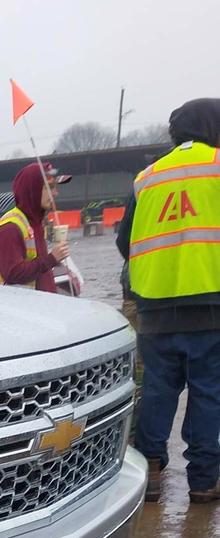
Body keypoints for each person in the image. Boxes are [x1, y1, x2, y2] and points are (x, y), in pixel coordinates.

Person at [117, 97, 220, 504]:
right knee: (208, 391)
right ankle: (204, 480)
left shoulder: (147, 178)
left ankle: (151, 471)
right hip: (210, 305)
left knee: (158, 391)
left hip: (154, 308)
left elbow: (126, 242)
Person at [0, 162, 72, 291]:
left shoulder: (36, 223)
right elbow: (12, 274)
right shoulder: (9, 228)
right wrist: (51, 259)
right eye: (49, 187)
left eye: (55, 187)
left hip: (40, 305)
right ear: (32, 190)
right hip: (19, 307)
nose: (55, 193)